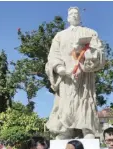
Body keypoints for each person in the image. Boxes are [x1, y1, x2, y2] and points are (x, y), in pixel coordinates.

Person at [45, 7, 105, 139]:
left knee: (86, 100)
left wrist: (84, 51)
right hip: (66, 76)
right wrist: (59, 68)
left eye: (76, 13)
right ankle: (66, 130)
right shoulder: (59, 36)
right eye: (71, 14)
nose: (74, 15)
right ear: (67, 17)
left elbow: (99, 52)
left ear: (80, 17)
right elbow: (53, 55)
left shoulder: (90, 33)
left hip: (84, 75)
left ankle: (87, 129)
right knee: (65, 103)